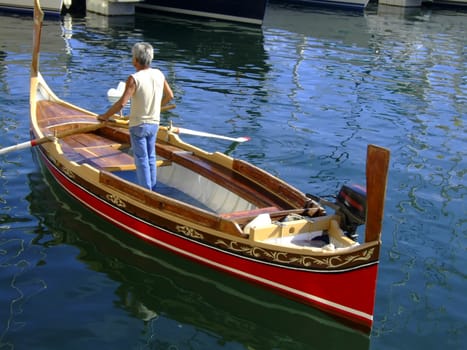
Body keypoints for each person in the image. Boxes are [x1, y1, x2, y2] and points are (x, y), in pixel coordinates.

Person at [98, 42, 174, 191]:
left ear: (136, 60)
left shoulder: (134, 78)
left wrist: (105, 116)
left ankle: (146, 192)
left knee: (141, 159)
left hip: (138, 125)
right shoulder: (159, 73)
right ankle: (152, 187)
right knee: (151, 156)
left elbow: (121, 104)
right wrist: (155, 108)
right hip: (154, 123)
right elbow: (170, 96)